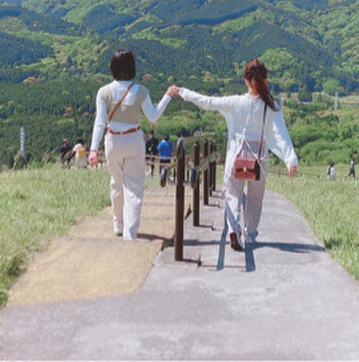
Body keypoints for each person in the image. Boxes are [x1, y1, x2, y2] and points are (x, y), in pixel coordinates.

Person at [170, 59, 297, 251]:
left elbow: (207, 102)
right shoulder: (271, 105)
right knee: (255, 198)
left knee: (232, 193)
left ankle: (234, 229)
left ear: (245, 80)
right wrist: (290, 160)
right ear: (265, 80)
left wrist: (183, 92)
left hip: (237, 154)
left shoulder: (236, 102)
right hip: (259, 156)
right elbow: (281, 134)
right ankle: (250, 234)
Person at [88, 49, 176, 239]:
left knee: (116, 183)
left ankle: (118, 224)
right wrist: (167, 96)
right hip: (133, 139)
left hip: (113, 141)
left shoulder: (103, 92)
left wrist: (93, 149)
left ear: (112, 67)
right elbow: (153, 116)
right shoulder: (141, 91)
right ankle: (130, 232)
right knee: (134, 187)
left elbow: (100, 122)